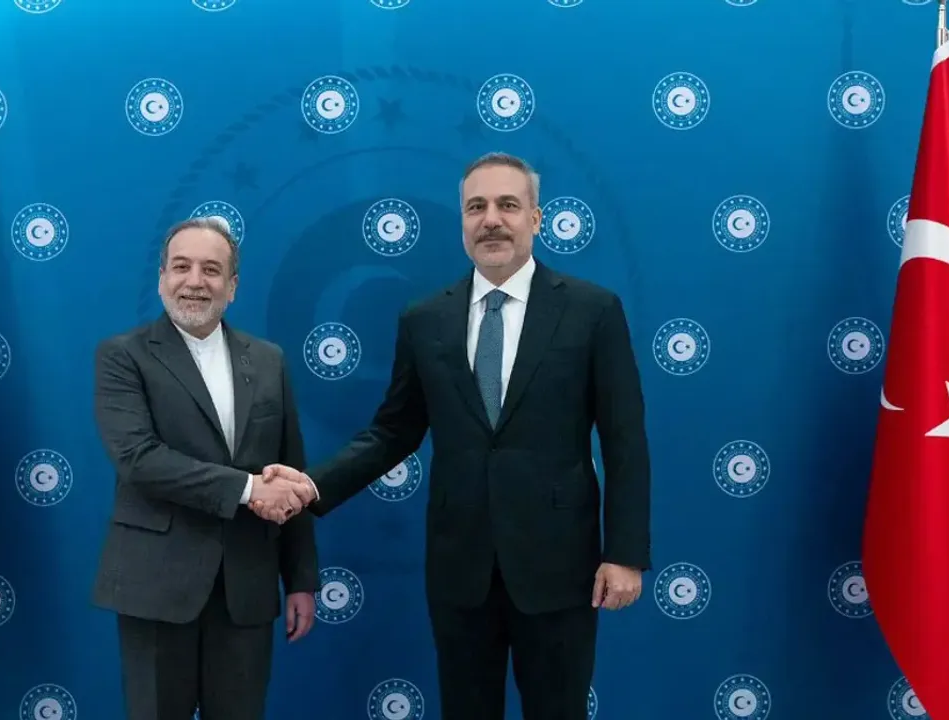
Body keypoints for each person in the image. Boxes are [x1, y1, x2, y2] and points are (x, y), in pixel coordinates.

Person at [256, 152, 652, 719]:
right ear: (463, 221)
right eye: (476, 207)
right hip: (460, 570)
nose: (491, 219)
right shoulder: (425, 320)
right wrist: (312, 486)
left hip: (560, 568)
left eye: (507, 205)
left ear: (536, 219)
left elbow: (624, 440)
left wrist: (625, 554)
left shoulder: (593, 311)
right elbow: (392, 432)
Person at [91, 216, 319, 720]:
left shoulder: (269, 360)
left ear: (232, 286)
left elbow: (289, 470)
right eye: (181, 267)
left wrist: (301, 577)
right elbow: (139, 459)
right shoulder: (122, 356)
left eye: (211, 270)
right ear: (162, 279)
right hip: (156, 586)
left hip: (247, 586)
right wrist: (247, 488)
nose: (195, 281)